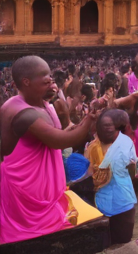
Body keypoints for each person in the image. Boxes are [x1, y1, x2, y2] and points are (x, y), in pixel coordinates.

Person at [0, 56, 96, 244]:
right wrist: (90, 119)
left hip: (35, 184)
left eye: (51, 78)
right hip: (26, 188)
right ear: (26, 82)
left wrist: (48, 95)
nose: (51, 82)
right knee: (33, 239)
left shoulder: (37, 102)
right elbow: (59, 140)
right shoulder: (24, 113)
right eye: (45, 80)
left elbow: (57, 130)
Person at [90, 109, 138, 244]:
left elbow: (133, 174)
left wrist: (132, 168)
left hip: (123, 204)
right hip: (99, 205)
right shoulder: (93, 147)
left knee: (122, 245)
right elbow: (88, 173)